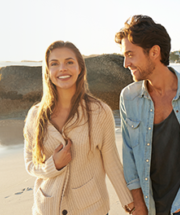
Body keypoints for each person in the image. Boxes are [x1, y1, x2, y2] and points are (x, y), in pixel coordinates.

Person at [115, 15, 180, 215]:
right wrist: (138, 202)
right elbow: (129, 154)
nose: (125, 63)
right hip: (147, 205)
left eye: (130, 54)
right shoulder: (129, 97)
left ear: (154, 52)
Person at [24, 41, 134, 215]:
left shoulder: (99, 112)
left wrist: (129, 201)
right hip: (47, 208)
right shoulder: (35, 115)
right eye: (54, 64)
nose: (62, 68)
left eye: (69, 62)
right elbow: (30, 164)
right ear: (47, 71)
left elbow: (111, 161)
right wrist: (54, 165)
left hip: (91, 208)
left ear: (80, 68)